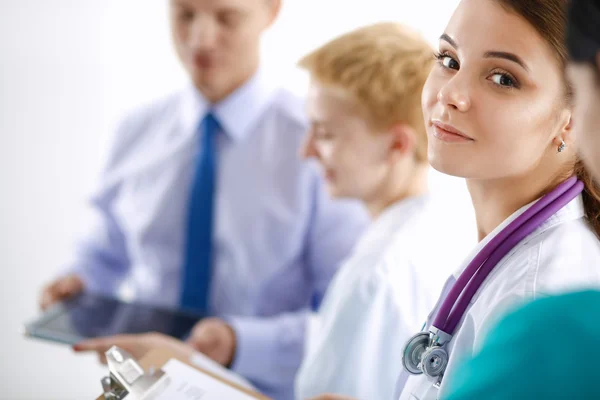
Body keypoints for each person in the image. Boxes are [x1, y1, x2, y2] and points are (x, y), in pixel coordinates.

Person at [41, 0, 369, 398]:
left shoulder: (320, 149)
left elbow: (346, 323)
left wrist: (239, 342)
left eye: (227, 17)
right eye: (184, 14)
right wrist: (78, 281)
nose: (201, 38)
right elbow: (105, 250)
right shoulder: (134, 131)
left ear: (272, 11)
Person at [390, 0, 600, 398]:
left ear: (573, 119)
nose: (451, 94)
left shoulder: (539, 293)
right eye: (449, 59)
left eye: (503, 78)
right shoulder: (514, 254)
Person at [291, 22, 474, 400]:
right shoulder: (447, 226)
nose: (306, 151)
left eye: (324, 133)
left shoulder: (375, 273)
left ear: (396, 145)